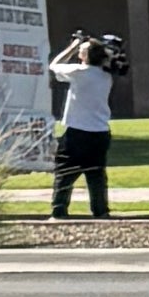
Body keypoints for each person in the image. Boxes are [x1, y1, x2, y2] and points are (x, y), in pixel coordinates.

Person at [49, 33, 117, 218]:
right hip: (100, 132)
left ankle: (59, 210)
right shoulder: (106, 75)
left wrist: (72, 46)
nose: (79, 52)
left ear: (86, 56)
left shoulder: (78, 72)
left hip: (78, 132)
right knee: (96, 175)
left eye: (82, 51)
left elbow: (54, 66)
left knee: (65, 172)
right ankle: (100, 211)